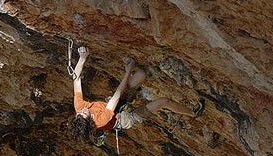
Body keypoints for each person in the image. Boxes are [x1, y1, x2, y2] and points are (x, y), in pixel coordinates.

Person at [70, 46, 204, 143]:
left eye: (80, 112)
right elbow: (117, 95)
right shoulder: (100, 120)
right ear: (89, 120)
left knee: (141, 74)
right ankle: (193, 113)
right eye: (84, 113)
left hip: (110, 104)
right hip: (124, 118)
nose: (84, 109)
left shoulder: (80, 108)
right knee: (164, 101)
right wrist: (127, 72)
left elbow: (76, 79)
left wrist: (82, 59)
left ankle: (135, 88)